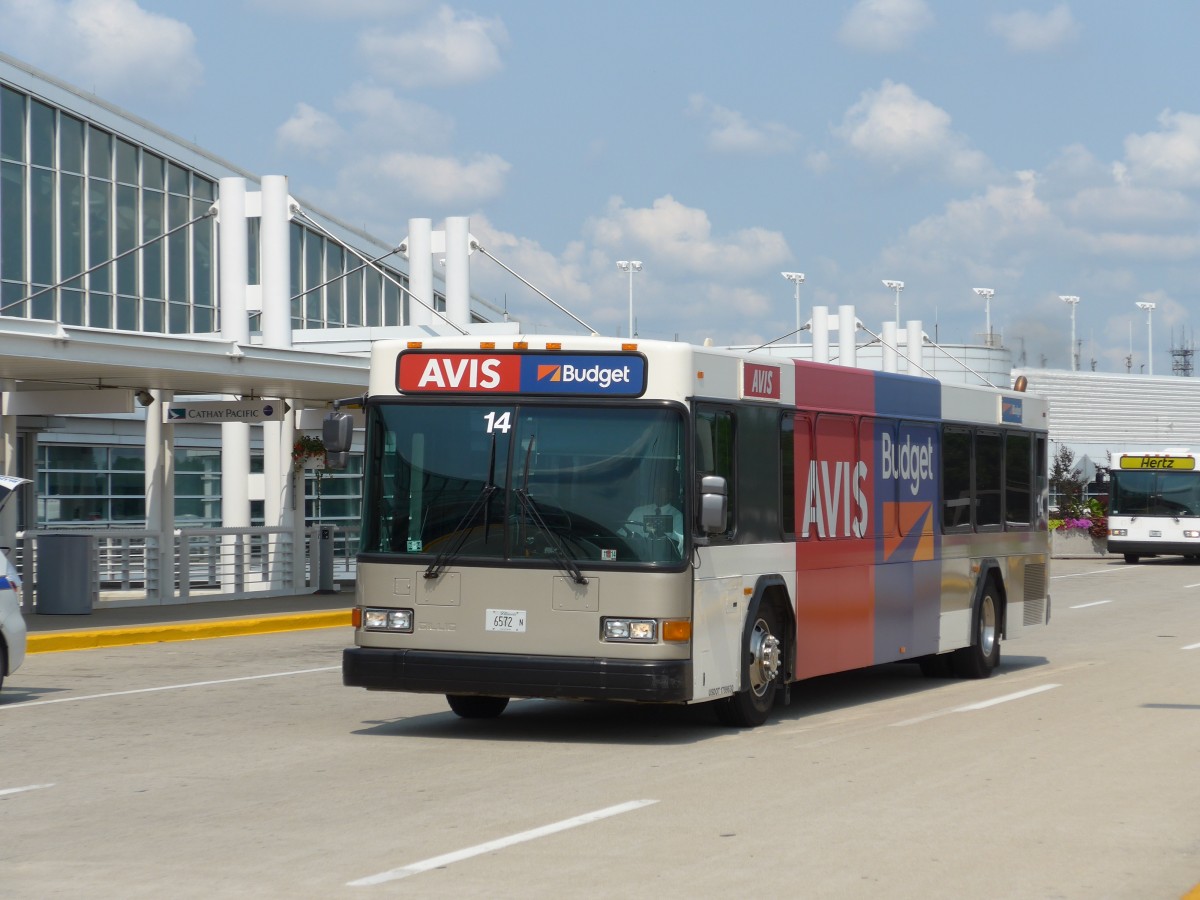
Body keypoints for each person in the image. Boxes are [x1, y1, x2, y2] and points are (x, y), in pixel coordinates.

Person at [620, 473, 684, 557]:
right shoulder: (638, 511)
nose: (657, 492)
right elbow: (622, 535)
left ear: (670, 493)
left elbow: (680, 545)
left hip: (664, 562)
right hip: (635, 558)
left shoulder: (677, 516)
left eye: (661, 489)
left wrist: (662, 537)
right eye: (656, 488)